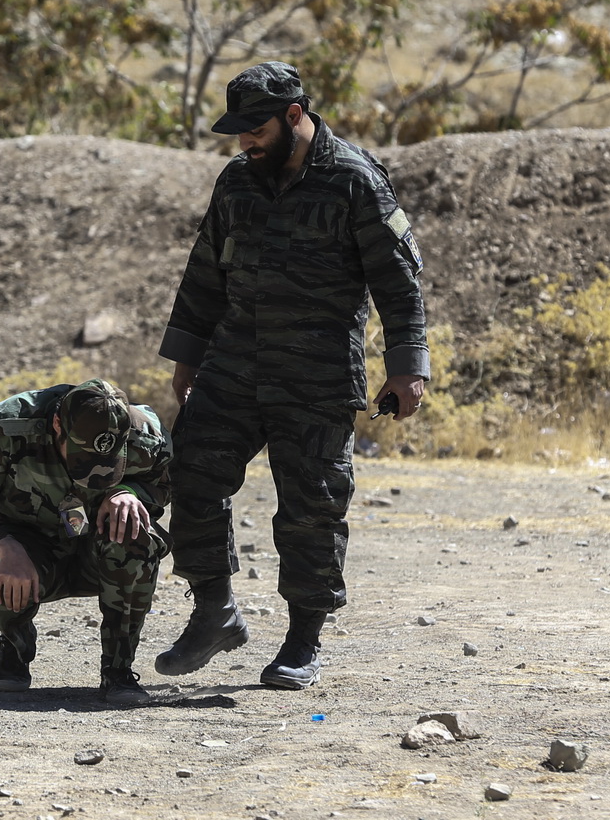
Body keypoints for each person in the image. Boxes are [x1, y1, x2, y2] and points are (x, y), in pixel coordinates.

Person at [154, 61, 429, 690]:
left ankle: (303, 639)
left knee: (311, 506)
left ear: (295, 114)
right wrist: (188, 359)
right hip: (235, 360)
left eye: (256, 127)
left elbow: (397, 280)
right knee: (191, 468)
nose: (245, 140)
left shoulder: (355, 181)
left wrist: (408, 367)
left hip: (317, 369)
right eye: (238, 130)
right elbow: (203, 275)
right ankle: (214, 610)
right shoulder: (236, 183)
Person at [0, 377, 172, 706]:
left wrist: (130, 492)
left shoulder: (145, 434)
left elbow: (162, 484)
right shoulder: (2, 429)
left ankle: (118, 669)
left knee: (139, 538)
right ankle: (16, 643)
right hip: (31, 548)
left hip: (98, 547)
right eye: (81, 456)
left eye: (107, 463)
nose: (93, 471)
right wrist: (6, 547)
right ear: (57, 425)